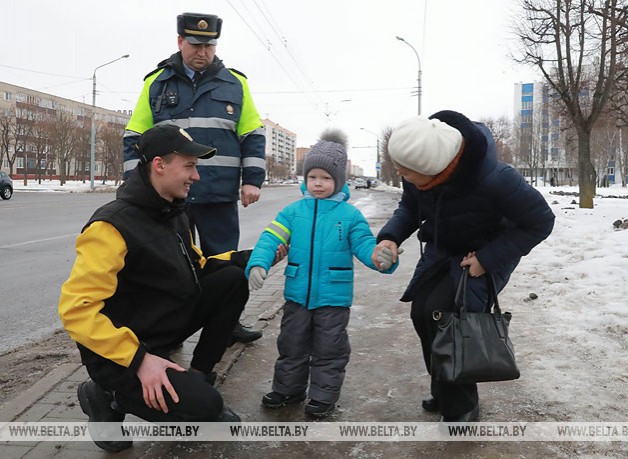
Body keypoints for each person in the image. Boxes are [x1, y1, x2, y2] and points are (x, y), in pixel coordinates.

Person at [59, 125, 250, 452]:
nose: (197, 177)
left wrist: (255, 258)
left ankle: (197, 378)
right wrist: (138, 359)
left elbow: (198, 266)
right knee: (205, 408)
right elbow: (76, 311)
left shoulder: (174, 211)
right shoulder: (110, 226)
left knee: (232, 281)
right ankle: (107, 395)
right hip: (121, 353)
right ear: (159, 165)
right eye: (189, 166)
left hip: (159, 328)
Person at [373, 111, 555, 422]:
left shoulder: (496, 179)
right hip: (443, 249)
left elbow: (540, 222)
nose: (402, 175)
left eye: (407, 171)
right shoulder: (420, 173)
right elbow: (410, 207)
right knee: (423, 313)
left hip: (486, 254)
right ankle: (444, 386)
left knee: (453, 324)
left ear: (434, 170)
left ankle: (462, 406)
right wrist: (391, 236)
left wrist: (487, 259)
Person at [122, 12, 265, 344]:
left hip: (218, 194)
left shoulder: (236, 83)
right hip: (169, 198)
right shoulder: (156, 82)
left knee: (224, 263)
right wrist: (134, 186)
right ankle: (167, 329)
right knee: (169, 266)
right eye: (196, 44)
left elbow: (253, 136)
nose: (203, 52)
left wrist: (252, 180)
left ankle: (227, 324)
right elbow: (134, 137)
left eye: (210, 45)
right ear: (180, 42)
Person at [245, 129, 399, 418]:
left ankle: (322, 396)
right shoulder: (292, 212)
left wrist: (380, 258)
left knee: (330, 350)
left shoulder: (350, 216)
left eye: (326, 178)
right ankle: (289, 389)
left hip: (333, 298)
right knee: (291, 345)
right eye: (312, 177)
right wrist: (258, 263)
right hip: (297, 296)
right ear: (305, 179)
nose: (318, 183)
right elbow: (270, 238)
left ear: (338, 180)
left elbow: (365, 245)